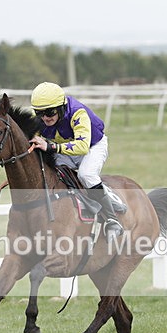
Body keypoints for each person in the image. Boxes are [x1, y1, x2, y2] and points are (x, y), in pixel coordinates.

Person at [27, 81, 124, 242]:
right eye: (39, 113)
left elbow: (82, 147)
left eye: (50, 112)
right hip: (67, 147)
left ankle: (112, 219)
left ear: (61, 108)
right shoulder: (43, 120)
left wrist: (50, 146)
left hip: (92, 146)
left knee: (86, 175)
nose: (45, 118)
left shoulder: (77, 113)